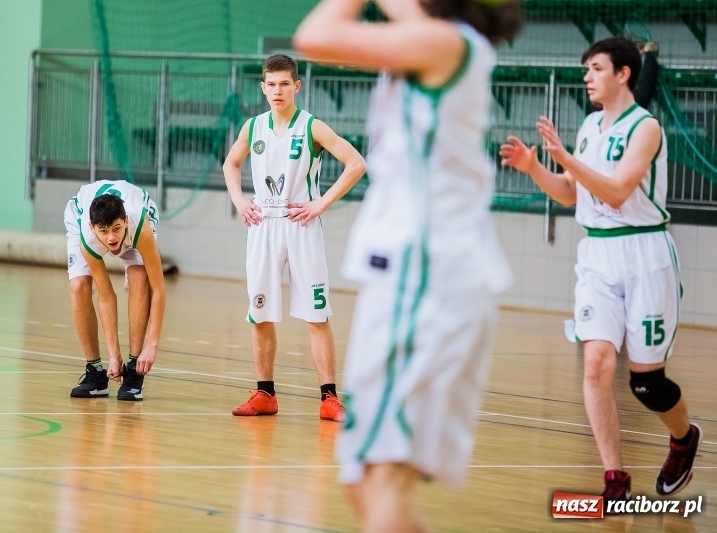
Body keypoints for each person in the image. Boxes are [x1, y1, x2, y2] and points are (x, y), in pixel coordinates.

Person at [295, 1, 521, 531]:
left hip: (429, 283)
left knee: (380, 484)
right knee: (362, 481)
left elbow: (316, 34)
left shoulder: (446, 42)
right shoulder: (438, 40)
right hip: (411, 283)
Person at [500, 36, 701, 505]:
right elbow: (573, 194)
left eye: (595, 69)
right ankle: (615, 477)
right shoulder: (590, 126)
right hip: (597, 255)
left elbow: (616, 192)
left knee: (647, 381)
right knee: (596, 364)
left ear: (623, 73)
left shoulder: (645, 128)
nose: (586, 77)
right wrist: (536, 169)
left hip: (645, 253)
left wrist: (566, 158)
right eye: (586, 70)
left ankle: (683, 436)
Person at [222, 54, 367, 422]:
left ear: (297, 86)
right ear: (262, 87)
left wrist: (322, 203)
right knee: (260, 315)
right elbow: (230, 163)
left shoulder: (312, 127)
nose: (277, 90)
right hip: (263, 227)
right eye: (271, 84)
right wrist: (240, 200)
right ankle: (264, 393)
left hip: (301, 225)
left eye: (284, 83)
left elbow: (356, 164)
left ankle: (329, 398)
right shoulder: (252, 127)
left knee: (316, 315)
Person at [64, 179, 166, 401]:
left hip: (140, 211)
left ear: (125, 221)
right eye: (104, 231)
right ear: (93, 228)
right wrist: (113, 356)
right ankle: (95, 373)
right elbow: (107, 295)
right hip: (80, 209)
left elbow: (159, 288)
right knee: (79, 286)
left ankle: (135, 370)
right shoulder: (88, 236)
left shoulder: (139, 226)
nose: (111, 238)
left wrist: (153, 345)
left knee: (140, 277)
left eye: (116, 229)